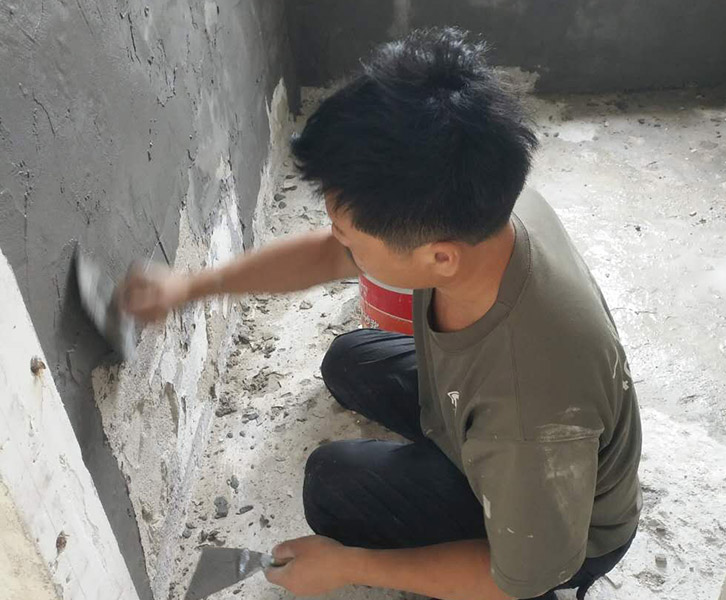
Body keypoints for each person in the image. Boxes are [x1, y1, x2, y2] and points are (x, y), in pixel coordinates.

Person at [123, 28, 641, 600]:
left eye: (350, 236)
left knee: (332, 483)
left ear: (438, 257)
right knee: (349, 359)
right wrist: (192, 287)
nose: (338, 244)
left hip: (561, 539)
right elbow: (329, 254)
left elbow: (515, 577)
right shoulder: (481, 208)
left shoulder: (528, 406)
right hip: (484, 418)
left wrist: (348, 565)